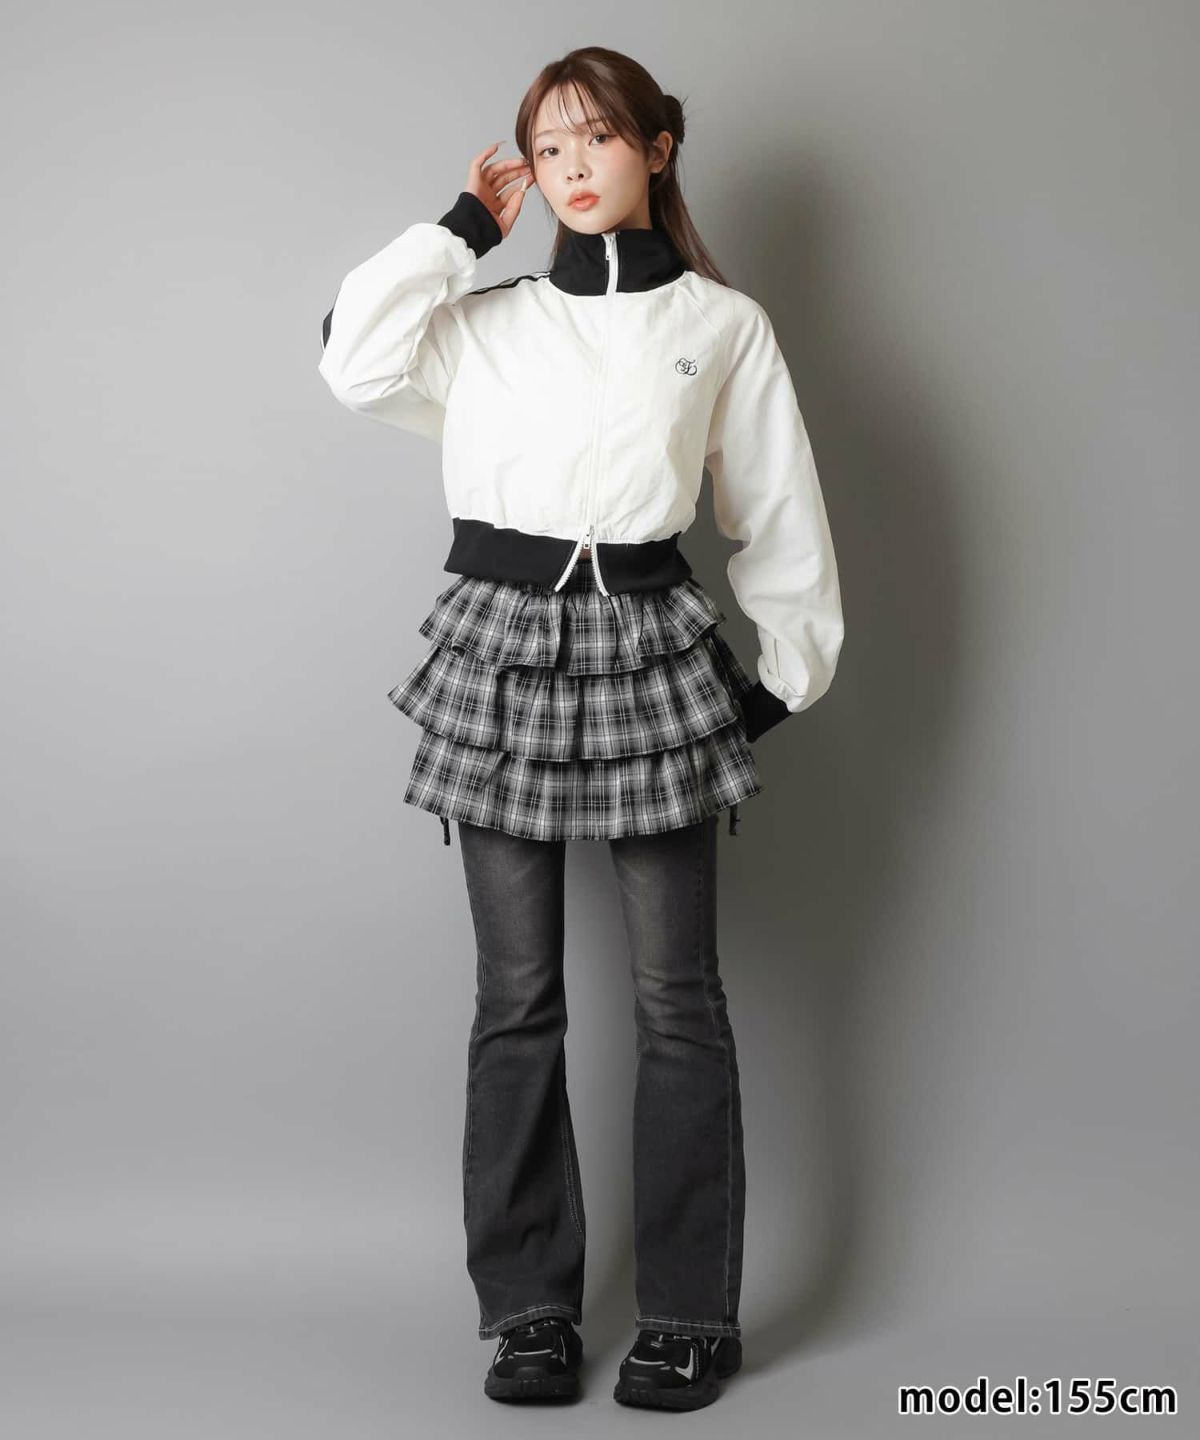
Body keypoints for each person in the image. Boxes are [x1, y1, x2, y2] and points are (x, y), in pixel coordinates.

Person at [317, 45, 844, 1412]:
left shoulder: (722, 325)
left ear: (657, 149)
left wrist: (777, 680)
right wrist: (456, 231)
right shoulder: (487, 320)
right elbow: (352, 357)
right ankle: (530, 1311)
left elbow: (777, 505)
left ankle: (688, 1316)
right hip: (498, 655)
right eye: (547, 147)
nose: (570, 167)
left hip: (648, 652)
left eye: (596, 138)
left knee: (678, 1001)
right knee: (517, 1001)